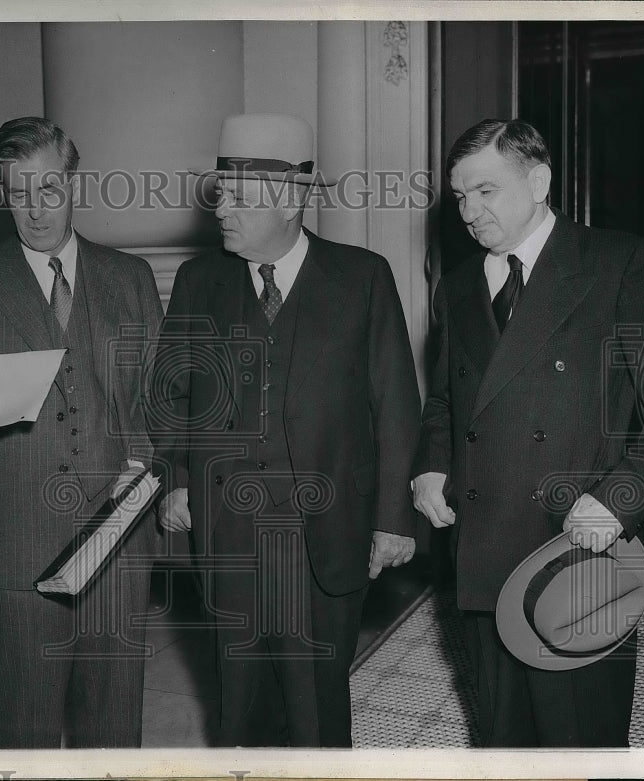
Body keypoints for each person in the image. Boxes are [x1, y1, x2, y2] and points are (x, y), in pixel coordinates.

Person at [150, 113, 421, 747]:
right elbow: (172, 393)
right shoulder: (200, 281)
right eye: (221, 194)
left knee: (317, 710)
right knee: (238, 705)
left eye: (240, 199)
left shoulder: (363, 278)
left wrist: (391, 519)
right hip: (229, 529)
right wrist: (178, 480)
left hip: (326, 531)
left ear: (294, 198)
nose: (222, 212)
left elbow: (396, 404)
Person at [412, 118, 644, 747]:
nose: (469, 212)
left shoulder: (619, 263)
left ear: (540, 180)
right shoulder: (458, 286)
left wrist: (620, 499)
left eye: (486, 191)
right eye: (461, 196)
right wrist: (429, 466)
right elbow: (444, 400)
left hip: (578, 544)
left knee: (578, 733)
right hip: (482, 543)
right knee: (503, 735)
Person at [0, 116, 164, 748]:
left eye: (50, 190)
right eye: (18, 192)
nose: (35, 210)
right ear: (2, 193)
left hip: (117, 543)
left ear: (73, 183)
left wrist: (145, 466)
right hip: (14, 545)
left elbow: (156, 406)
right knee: (24, 732)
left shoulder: (131, 278)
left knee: (114, 731)